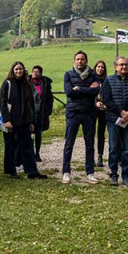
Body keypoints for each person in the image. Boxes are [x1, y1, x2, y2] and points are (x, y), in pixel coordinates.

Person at [0, 61, 47, 179]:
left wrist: (30, 121)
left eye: (20, 69)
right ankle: (11, 171)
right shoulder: (7, 83)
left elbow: (30, 104)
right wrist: (6, 120)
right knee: (10, 146)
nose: (18, 71)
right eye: (16, 69)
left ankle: (32, 171)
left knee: (28, 146)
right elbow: (3, 103)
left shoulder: (27, 84)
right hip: (11, 120)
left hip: (24, 120)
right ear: (12, 70)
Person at [101, 57, 128, 187]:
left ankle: (125, 175)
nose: (124, 67)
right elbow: (107, 100)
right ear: (115, 67)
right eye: (121, 65)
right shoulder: (109, 80)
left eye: (126, 65)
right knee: (114, 148)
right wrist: (121, 112)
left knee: (127, 149)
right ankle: (113, 174)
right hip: (114, 119)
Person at [61, 51, 100, 185]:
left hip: (89, 112)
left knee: (89, 144)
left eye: (82, 59)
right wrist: (87, 89)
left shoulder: (93, 74)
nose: (80, 61)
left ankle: (90, 172)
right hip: (73, 112)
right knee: (69, 143)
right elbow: (69, 92)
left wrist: (80, 89)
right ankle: (66, 172)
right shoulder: (68, 74)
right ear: (74, 61)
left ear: (86, 60)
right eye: (77, 59)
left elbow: (96, 91)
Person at [30, 66, 53, 163]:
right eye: (34, 71)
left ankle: (37, 153)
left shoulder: (45, 84)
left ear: (41, 73)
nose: (35, 73)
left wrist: (47, 112)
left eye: (37, 71)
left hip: (41, 114)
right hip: (29, 113)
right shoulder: (27, 83)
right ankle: (30, 153)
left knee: (38, 134)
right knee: (29, 134)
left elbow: (50, 99)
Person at [93, 60, 108, 168]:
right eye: (98, 67)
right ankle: (91, 156)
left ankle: (100, 156)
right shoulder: (91, 79)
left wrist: (106, 105)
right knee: (90, 133)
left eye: (102, 67)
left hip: (103, 109)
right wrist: (94, 103)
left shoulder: (107, 81)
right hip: (92, 109)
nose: (100, 69)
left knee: (101, 133)